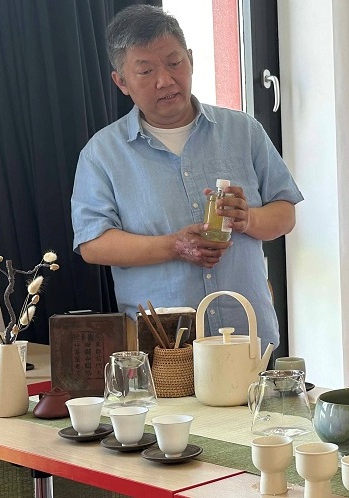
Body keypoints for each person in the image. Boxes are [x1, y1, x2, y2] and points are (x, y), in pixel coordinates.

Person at [71, 5, 303, 350]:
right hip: (165, 346)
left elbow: (284, 214)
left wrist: (248, 218)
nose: (165, 80)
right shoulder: (102, 153)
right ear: (121, 82)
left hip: (248, 338)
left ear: (191, 59)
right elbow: (93, 244)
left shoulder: (242, 131)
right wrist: (173, 246)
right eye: (146, 71)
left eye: (174, 62)